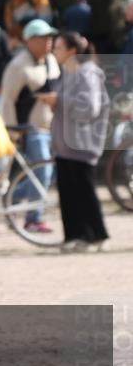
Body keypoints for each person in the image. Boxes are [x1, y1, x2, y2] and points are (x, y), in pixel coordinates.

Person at [43, 32, 110, 250]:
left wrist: (60, 100)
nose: (55, 52)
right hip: (65, 144)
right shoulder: (68, 72)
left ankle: (95, 236)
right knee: (68, 193)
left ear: (72, 50)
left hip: (82, 143)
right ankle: (74, 236)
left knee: (84, 192)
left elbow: (91, 107)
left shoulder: (88, 72)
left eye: (59, 47)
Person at [0, 19, 60, 233]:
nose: (49, 41)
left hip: (52, 126)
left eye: (50, 37)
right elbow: (7, 100)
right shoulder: (18, 66)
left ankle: (11, 197)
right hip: (30, 128)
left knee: (50, 172)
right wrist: (12, 130)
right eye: (43, 37)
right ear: (29, 40)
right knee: (42, 172)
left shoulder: (52, 61)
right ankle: (33, 218)